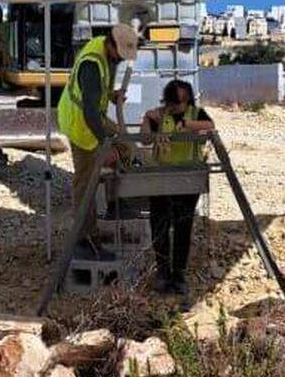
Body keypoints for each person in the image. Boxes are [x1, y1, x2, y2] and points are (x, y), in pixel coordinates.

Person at [57, 22, 139, 250]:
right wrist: (105, 146)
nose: (120, 60)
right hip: (80, 123)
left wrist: (112, 95)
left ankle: (116, 200)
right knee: (85, 182)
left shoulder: (104, 51)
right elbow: (90, 111)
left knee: (127, 147)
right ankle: (85, 237)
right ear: (111, 44)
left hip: (93, 115)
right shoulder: (92, 64)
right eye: (119, 54)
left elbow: (95, 94)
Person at [141, 78, 214, 295]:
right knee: (160, 227)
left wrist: (186, 125)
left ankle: (179, 275)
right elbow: (145, 139)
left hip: (187, 180)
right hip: (161, 180)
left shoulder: (196, 114)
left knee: (183, 228)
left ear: (188, 101)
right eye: (171, 104)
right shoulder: (159, 115)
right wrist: (146, 118)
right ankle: (162, 272)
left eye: (179, 104)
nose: (174, 109)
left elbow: (209, 127)